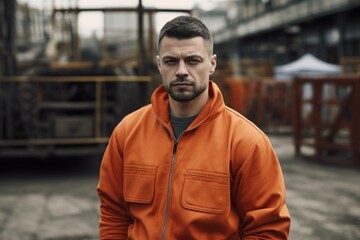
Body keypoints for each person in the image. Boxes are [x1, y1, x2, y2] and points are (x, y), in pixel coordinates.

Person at [97, 15, 291, 239]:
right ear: (159, 65)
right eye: (171, 61)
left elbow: (267, 229)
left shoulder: (247, 142)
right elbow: (113, 213)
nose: (181, 70)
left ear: (212, 64)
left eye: (193, 60)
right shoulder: (127, 132)